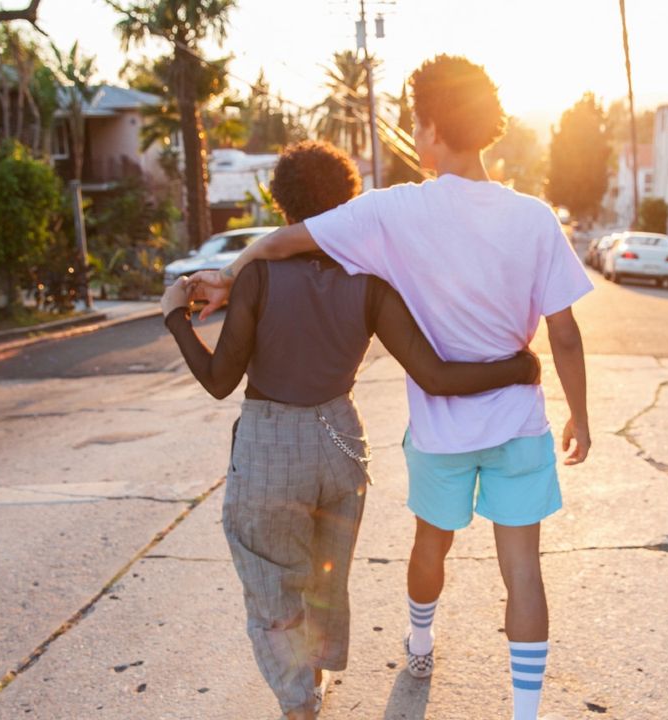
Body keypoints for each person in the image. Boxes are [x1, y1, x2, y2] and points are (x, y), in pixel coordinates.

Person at [190, 55, 592, 720]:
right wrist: (579, 415)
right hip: (520, 424)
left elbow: (284, 242)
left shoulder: (392, 211)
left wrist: (228, 277)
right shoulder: (535, 218)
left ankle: (421, 639)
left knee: (431, 544)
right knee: (523, 570)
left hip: (440, 432)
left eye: (416, 123)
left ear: (432, 127)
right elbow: (567, 335)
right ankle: (525, 712)